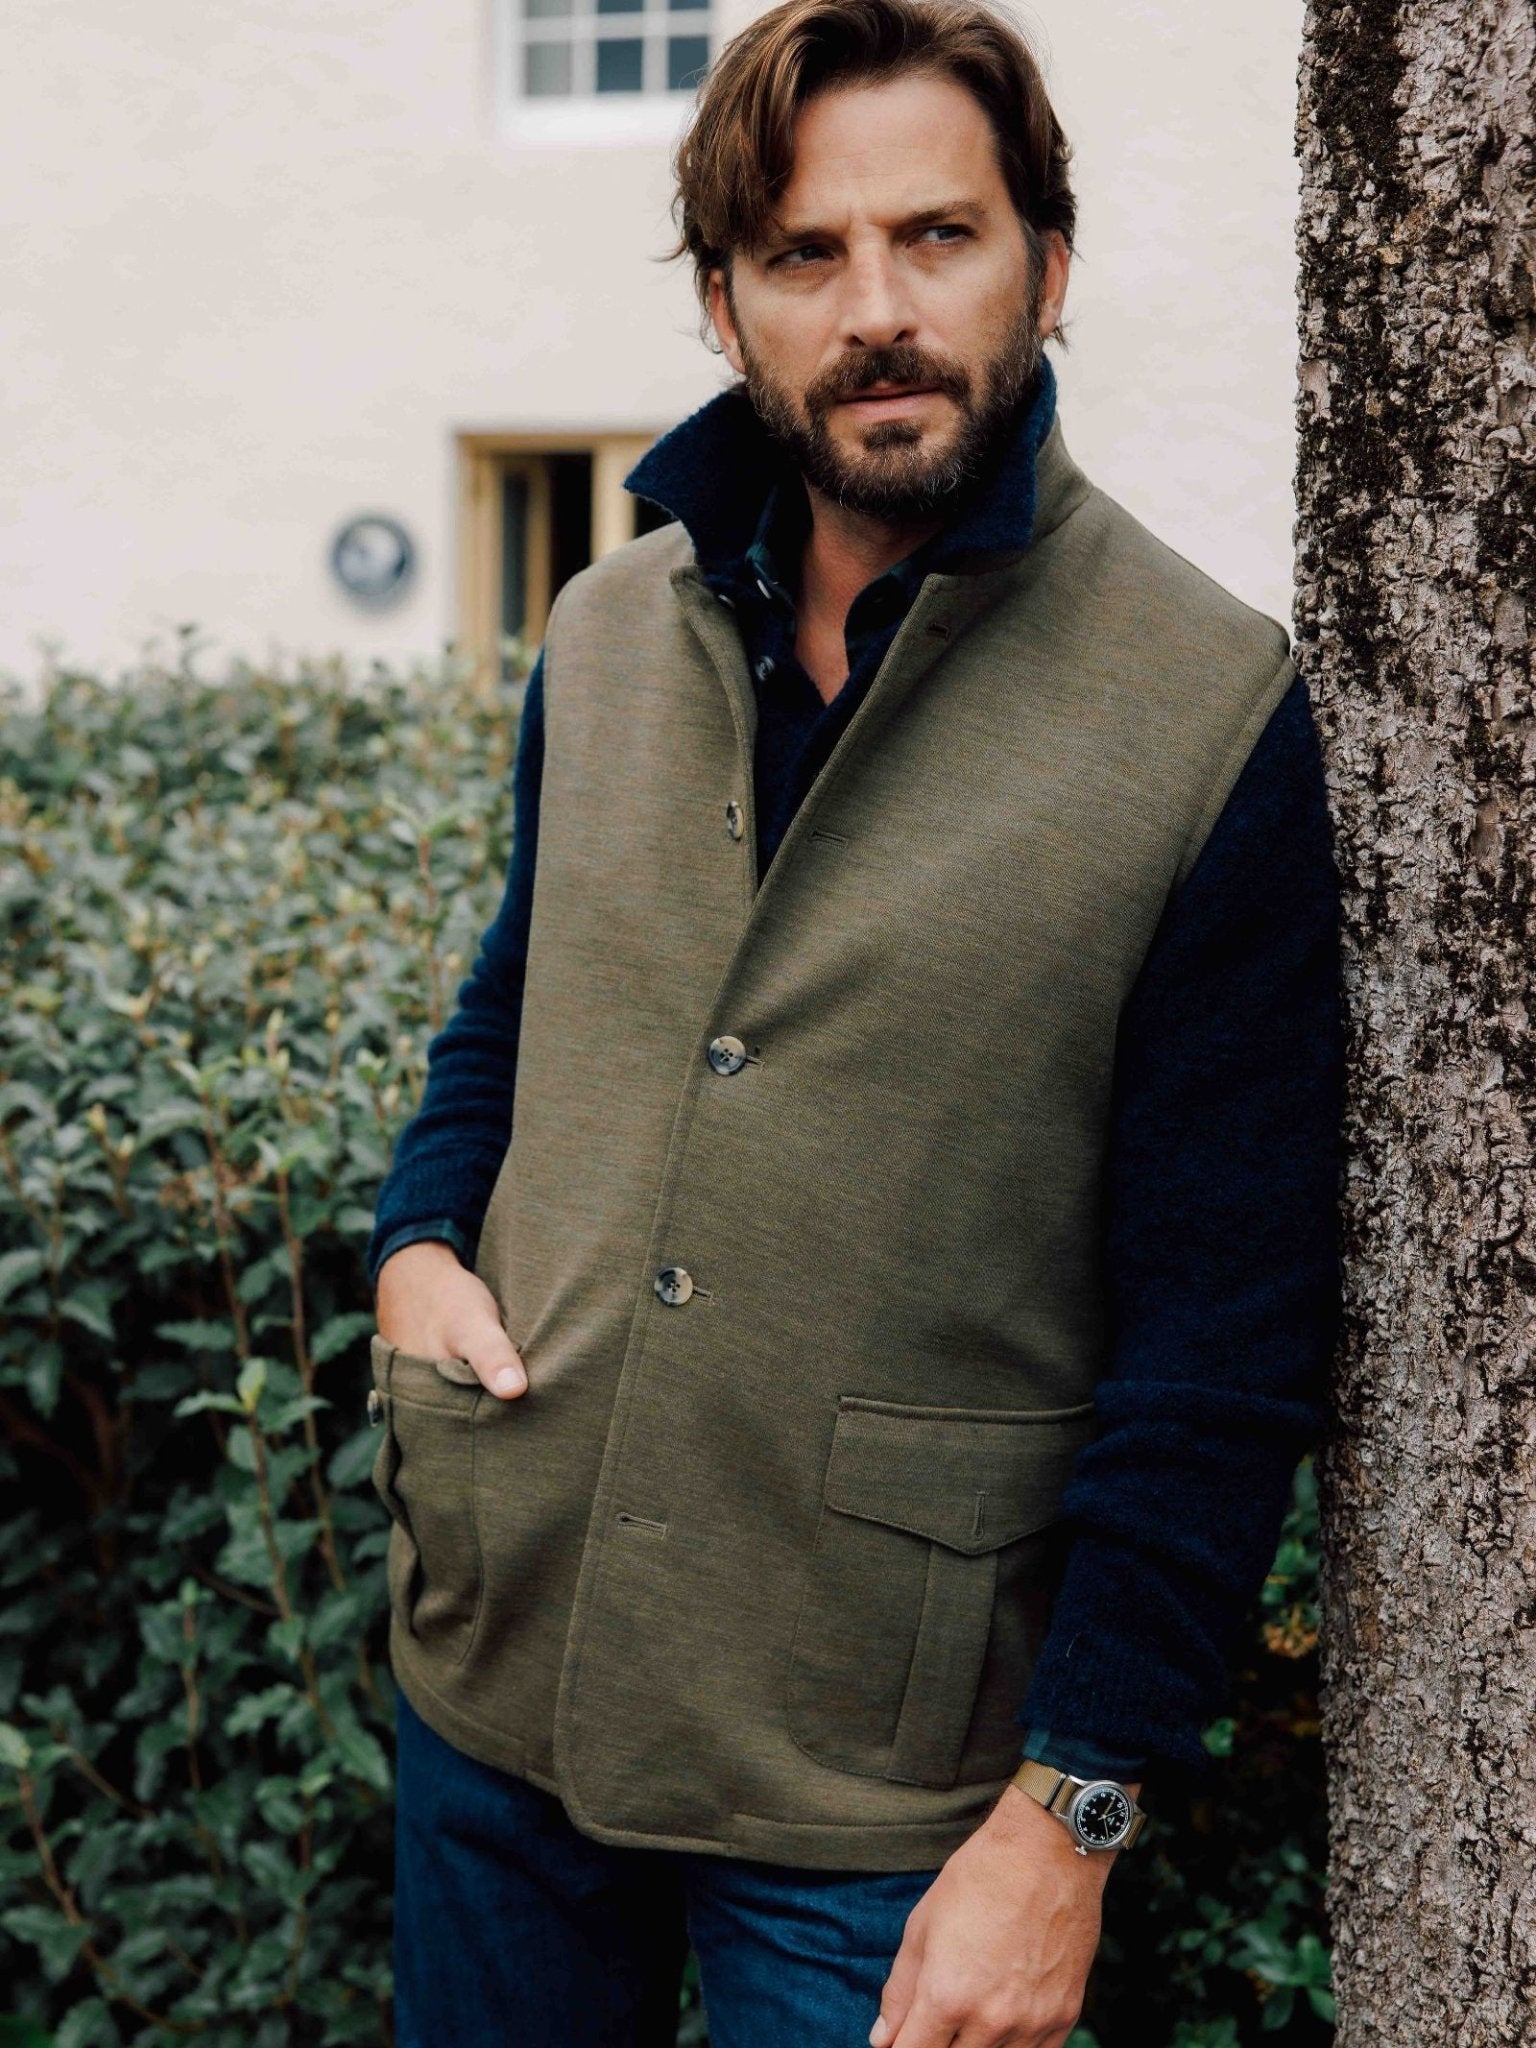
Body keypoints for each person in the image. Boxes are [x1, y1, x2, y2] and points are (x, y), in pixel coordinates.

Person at [363, 1, 1344, 2042]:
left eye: (938, 236)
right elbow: (522, 998)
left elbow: (1224, 1338)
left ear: (1048, 265)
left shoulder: (1208, 714)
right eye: (806, 255)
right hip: (501, 1677)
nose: (876, 308)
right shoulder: (606, 626)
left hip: (880, 1792)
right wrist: (417, 1243)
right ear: (727, 305)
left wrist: (1068, 1814)